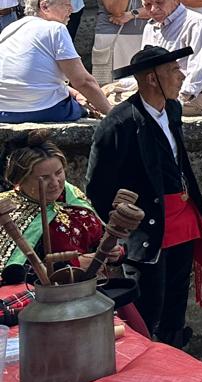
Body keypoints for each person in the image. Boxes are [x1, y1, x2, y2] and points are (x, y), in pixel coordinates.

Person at [85, 44, 202, 347]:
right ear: (152, 79)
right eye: (173, 70)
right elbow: (97, 186)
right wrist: (122, 227)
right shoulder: (118, 124)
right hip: (147, 229)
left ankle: (176, 353)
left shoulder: (173, 109)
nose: (182, 76)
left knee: (176, 299)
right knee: (148, 303)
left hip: (181, 219)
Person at [0, 130, 148, 335]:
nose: (55, 183)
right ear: (19, 180)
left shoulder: (72, 195)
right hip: (50, 306)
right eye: (44, 177)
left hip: (96, 294)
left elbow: (101, 237)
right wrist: (72, 266)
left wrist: (113, 253)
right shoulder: (9, 210)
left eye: (59, 172)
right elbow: (11, 274)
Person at [0, 0, 112, 122]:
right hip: (44, 109)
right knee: (84, 109)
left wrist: (74, 93)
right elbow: (83, 81)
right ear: (45, 6)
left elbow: (33, 79)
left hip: (4, 111)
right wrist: (112, 113)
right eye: (66, 4)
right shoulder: (55, 29)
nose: (71, 9)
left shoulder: (10, 29)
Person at [136, 0, 202, 115]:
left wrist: (176, 98)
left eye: (159, 2)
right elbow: (145, 70)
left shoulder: (196, 23)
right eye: (147, 5)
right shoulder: (150, 27)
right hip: (157, 91)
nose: (154, 9)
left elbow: (199, 71)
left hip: (190, 94)